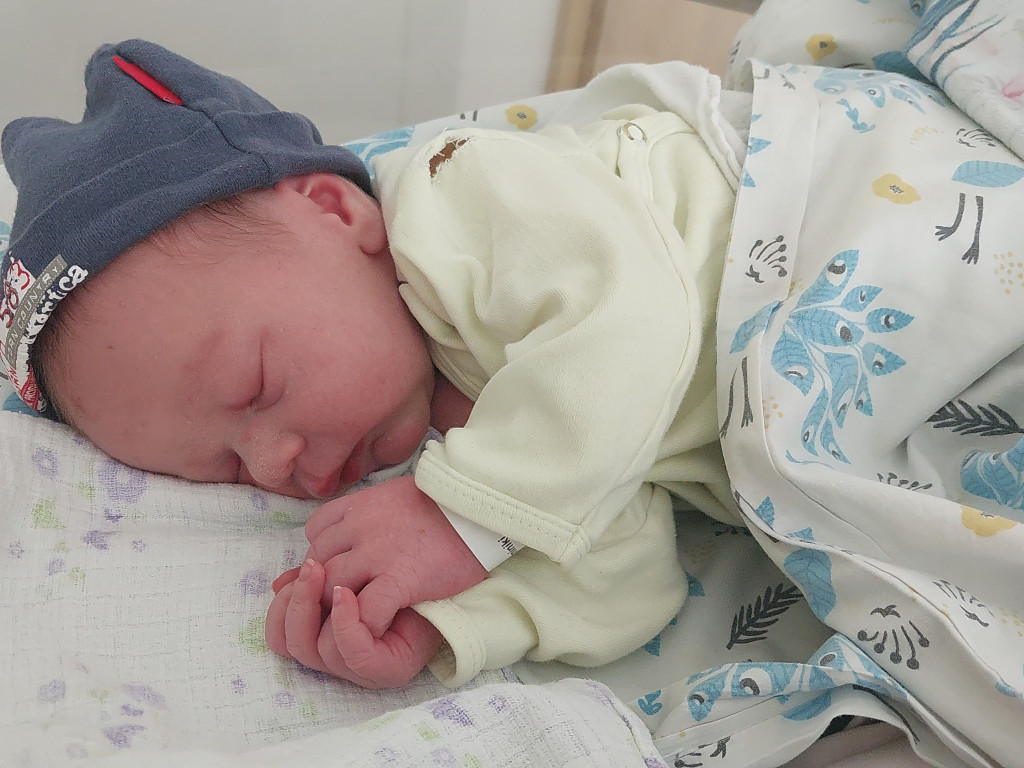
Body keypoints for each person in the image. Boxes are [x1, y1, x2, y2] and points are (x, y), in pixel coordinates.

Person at [0, 39, 743, 689]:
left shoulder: (460, 196)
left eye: (257, 387)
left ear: (334, 210)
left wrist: (463, 519)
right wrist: (440, 614)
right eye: (225, 468)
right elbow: (628, 563)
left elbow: (631, 318)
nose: (273, 464)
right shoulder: (477, 443)